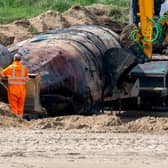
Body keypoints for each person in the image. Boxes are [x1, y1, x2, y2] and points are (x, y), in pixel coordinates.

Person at [0, 53, 28, 118]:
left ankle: (15, 120)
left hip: (13, 91)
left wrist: (5, 75)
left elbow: (2, 74)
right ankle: (20, 119)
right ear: (20, 60)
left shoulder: (11, 67)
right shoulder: (24, 68)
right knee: (20, 107)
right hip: (22, 91)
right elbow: (26, 79)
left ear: (14, 59)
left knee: (14, 106)